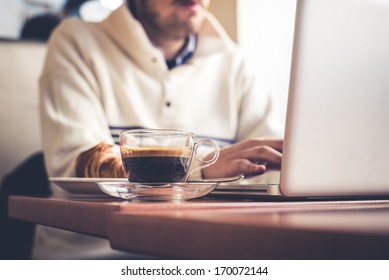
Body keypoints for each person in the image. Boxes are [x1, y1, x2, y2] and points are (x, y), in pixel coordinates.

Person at [37, 0, 283, 259]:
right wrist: (202, 169)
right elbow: (78, 164)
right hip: (97, 256)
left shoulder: (236, 64)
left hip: (208, 254)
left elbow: (270, 170)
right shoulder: (76, 43)